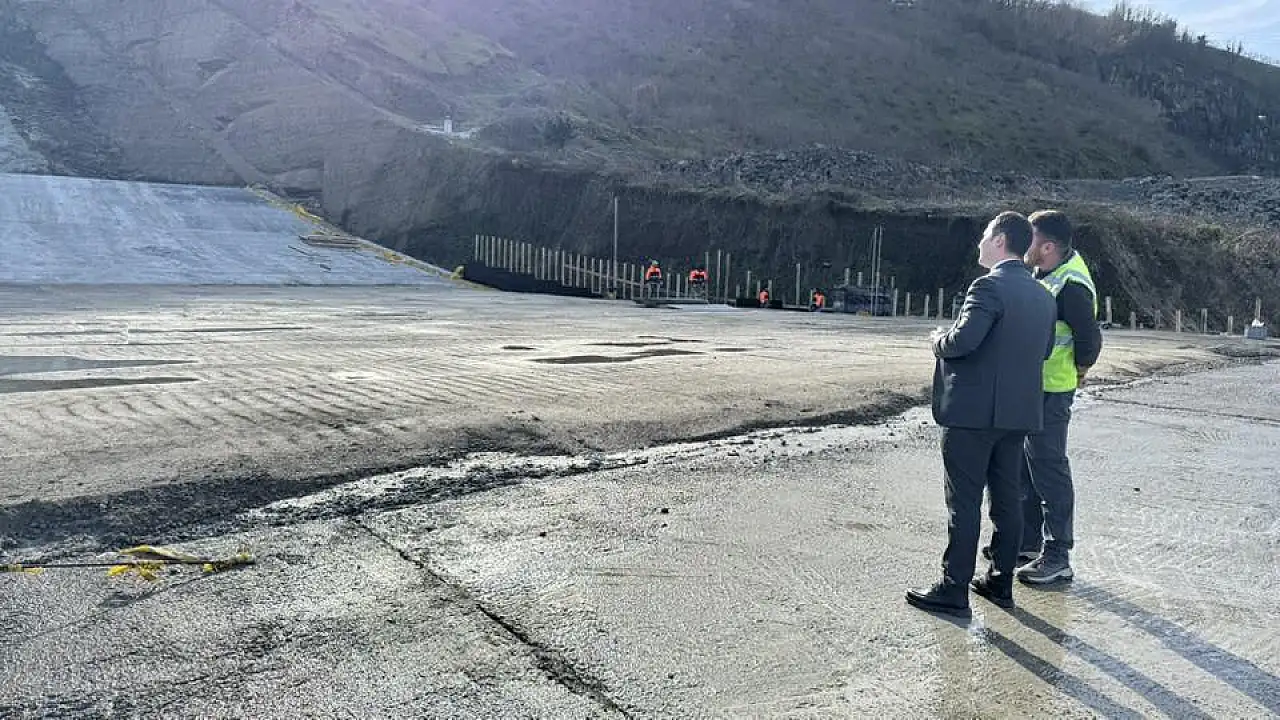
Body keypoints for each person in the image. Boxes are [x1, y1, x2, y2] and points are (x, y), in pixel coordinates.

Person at [905, 211, 1057, 617]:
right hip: (1018, 414)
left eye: (984, 236)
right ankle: (1000, 581)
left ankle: (954, 588)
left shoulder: (987, 287)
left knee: (965, 501)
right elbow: (1042, 352)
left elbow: (963, 341)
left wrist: (938, 340)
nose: (979, 243)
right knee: (1007, 497)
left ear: (1000, 240)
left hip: (974, 415)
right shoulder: (1043, 295)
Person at [986, 210, 1102, 584]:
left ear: (1048, 247)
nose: (1024, 245)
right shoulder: (1045, 273)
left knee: (1049, 468)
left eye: (1031, 239)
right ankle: (1028, 542)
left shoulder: (1072, 286)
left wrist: (1078, 373)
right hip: (1031, 386)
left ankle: (1058, 553)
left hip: (1053, 390)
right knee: (1024, 466)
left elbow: (1089, 341)